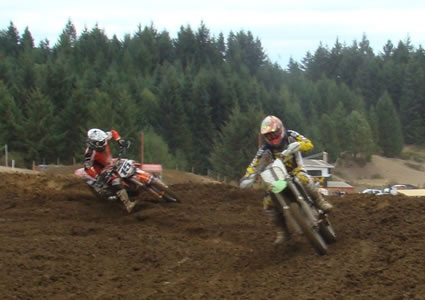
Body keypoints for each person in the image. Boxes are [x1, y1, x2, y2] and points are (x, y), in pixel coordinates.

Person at [239, 115, 333, 244]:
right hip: (278, 179)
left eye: (274, 134)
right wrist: (248, 177)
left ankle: (319, 201)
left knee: (303, 179)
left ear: (280, 128)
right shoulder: (265, 150)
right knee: (268, 202)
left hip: (296, 170)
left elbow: (309, 144)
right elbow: (254, 165)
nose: (273, 138)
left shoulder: (291, 135)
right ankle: (282, 231)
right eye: (269, 136)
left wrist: (298, 145)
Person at [84, 128, 137, 213]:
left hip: (111, 162)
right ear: (94, 143)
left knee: (129, 163)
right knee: (116, 181)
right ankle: (128, 205)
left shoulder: (103, 138)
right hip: (103, 171)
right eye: (101, 143)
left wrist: (119, 140)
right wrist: (97, 177)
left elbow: (113, 132)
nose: (104, 143)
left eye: (104, 141)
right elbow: (87, 169)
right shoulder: (90, 153)